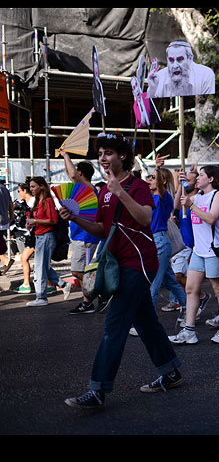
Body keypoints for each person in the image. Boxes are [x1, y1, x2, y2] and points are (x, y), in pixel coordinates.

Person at [63, 132, 182, 410]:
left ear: (123, 156)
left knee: (114, 326)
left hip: (139, 263)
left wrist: (120, 191)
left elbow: (145, 218)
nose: (103, 159)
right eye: (100, 154)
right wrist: (76, 217)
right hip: (118, 262)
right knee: (145, 321)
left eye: (108, 153)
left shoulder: (137, 185)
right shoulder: (103, 190)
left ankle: (97, 391)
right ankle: (171, 371)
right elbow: (102, 230)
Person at [168, 165, 219, 345]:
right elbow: (176, 205)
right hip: (199, 250)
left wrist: (192, 206)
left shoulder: (218, 195)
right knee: (191, 289)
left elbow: (211, 218)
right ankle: (189, 330)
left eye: (201, 175)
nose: (197, 178)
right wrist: (181, 183)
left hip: (215, 250)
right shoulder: (197, 196)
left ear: (211, 179)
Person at [60, 151, 103, 314]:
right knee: (83, 271)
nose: (73, 173)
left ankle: (98, 289)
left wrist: (65, 156)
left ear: (80, 173)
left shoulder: (89, 188)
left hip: (86, 237)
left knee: (78, 271)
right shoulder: (83, 189)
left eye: (76, 171)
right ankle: (87, 303)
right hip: (80, 236)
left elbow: (72, 175)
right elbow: (70, 173)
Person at [24, 177, 73, 306]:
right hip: (40, 237)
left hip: (47, 237)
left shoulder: (48, 201)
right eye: (30, 187)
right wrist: (31, 224)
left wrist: (35, 221)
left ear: (41, 186)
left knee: (40, 268)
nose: (31, 189)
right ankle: (63, 284)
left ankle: (41, 297)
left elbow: (53, 220)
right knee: (42, 266)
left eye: (33, 186)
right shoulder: (38, 202)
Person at [147, 166, 187, 312]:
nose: (149, 180)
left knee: (153, 285)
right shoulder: (149, 197)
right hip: (152, 242)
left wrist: (157, 168)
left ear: (162, 181)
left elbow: (160, 188)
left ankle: (147, 322)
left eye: (153, 177)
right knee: (171, 282)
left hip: (160, 243)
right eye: (149, 177)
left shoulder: (165, 198)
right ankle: (189, 309)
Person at [148, 39, 215, 98]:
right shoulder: (160, 77)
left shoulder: (205, 75)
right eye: (171, 60)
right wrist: (152, 89)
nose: (175, 66)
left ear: (190, 59)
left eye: (179, 59)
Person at [12, 182, 36, 293]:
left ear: (24, 191)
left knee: (37, 260)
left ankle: (59, 283)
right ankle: (26, 283)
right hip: (29, 235)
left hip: (36, 235)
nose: (19, 193)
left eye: (19, 191)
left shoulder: (33, 202)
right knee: (25, 258)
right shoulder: (24, 202)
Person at [0, 180, 14, 274]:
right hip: (4, 220)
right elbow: (10, 203)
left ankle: (5, 259)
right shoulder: (4, 188)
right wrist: (11, 216)